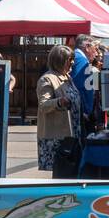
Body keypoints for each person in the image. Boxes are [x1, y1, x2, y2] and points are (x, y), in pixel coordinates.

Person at [36, 44, 82, 178]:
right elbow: (43, 105)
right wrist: (58, 102)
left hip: (72, 134)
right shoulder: (47, 79)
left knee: (69, 173)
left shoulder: (67, 77)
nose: (72, 62)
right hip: (57, 137)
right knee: (62, 173)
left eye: (72, 59)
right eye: (69, 59)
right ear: (59, 60)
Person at [71, 35, 97, 139]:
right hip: (81, 113)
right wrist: (83, 110)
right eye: (95, 48)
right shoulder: (81, 60)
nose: (96, 53)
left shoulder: (78, 57)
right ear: (87, 46)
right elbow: (78, 86)